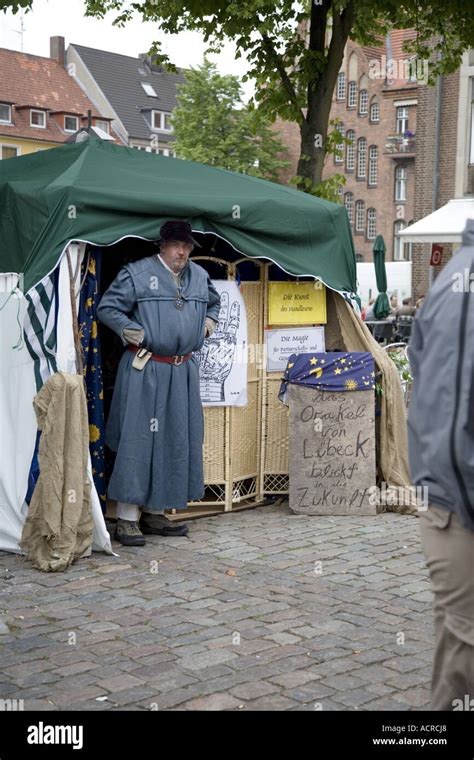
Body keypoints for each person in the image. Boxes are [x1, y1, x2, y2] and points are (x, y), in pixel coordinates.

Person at [97, 220, 221, 546]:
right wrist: (132, 332)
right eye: (176, 245)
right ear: (162, 245)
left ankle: (154, 513)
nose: (182, 251)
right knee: (138, 440)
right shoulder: (136, 274)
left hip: (182, 371)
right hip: (145, 369)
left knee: (175, 438)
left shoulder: (199, 277)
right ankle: (125, 519)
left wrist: (206, 325)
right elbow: (107, 308)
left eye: (187, 245)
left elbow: (214, 304)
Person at [407, 219, 474, 710]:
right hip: (460, 504)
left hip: (453, 499)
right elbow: (453, 426)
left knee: (456, 647)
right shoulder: (466, 284)